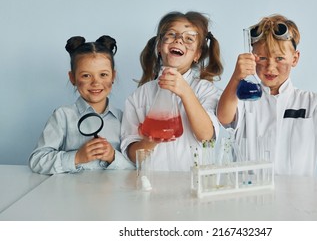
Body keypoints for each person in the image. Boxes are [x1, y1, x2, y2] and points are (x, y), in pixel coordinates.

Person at [217, 14, 317, 176]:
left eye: (279, 58)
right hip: (250, 197)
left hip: (297, 198)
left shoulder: (311, 103)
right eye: (262, 58)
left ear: (295, 58)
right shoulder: (244, 99)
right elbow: (224, 117)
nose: (270, 67)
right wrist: (237, 77)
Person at [121, 11, 223, 171]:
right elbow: (132, 155)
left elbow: (206, 136)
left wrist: (185, 91)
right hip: (152, 187)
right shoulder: (139, 97)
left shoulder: (206, 90)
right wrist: (151, 139)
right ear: (160, 46)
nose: (179, 40)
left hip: (194, 185)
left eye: (189, 38)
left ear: (197, 54)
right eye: (172, 34)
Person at [29, 35, 134, 174]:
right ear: (72, 78)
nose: (96, 83)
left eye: (103, 75)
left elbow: (135, 166)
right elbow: (37, 160)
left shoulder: (123, 118)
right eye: (86, 75)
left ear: (113, 76)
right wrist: (77, 157)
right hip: (71, 193)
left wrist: (112, 157)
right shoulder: (63, 116)